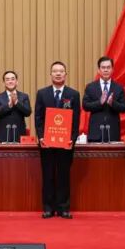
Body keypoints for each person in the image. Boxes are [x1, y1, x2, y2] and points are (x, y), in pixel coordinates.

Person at [34, 62, 81, 218]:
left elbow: (76, 120)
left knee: (63, 176)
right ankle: (48, 208)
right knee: (48, 175)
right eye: (55, 71)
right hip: (46, 143)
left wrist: (72, 139)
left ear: (65, 74)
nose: (58, 73)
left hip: (65, 144)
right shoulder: (42, 93)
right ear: (51, 74)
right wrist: (41, 137)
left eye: (61, 71)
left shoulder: (73, 94)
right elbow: (38, 118)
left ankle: (63, 208)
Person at [82, 56, 125, 142]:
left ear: (112, 70)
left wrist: (112, 103)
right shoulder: (90, 87)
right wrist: (99, 102)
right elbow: (85, 106)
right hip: (95, 132)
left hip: (113, 132)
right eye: (103, 67)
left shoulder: (119, 88)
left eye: (108, 67)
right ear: (99, 70)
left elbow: (124, 108)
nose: (106, 70)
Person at [0, 70, 31, 142]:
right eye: (7, 79)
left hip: (20, 133)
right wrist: (8, 105)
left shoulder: (24, 96)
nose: (10, 81)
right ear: (4, 82)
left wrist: (16, 103)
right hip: (3, 134)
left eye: (13, 79)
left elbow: (28, 112)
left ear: (17, 81)